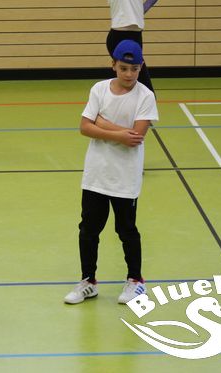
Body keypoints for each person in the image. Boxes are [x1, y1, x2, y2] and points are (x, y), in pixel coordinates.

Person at [64, 39, 158, 305]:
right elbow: (85, 127)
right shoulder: (99, 89)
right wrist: (118, 132)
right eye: (124, 68)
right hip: (96, 176)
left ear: (141, 67)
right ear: (113, 65)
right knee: (88, 230)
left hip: (125, 179)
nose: (129, 74)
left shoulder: (145, 96)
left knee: (126, 230)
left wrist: (102, 123)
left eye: (135, 69)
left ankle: (136, 281)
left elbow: (135, 137)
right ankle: (88, 282)